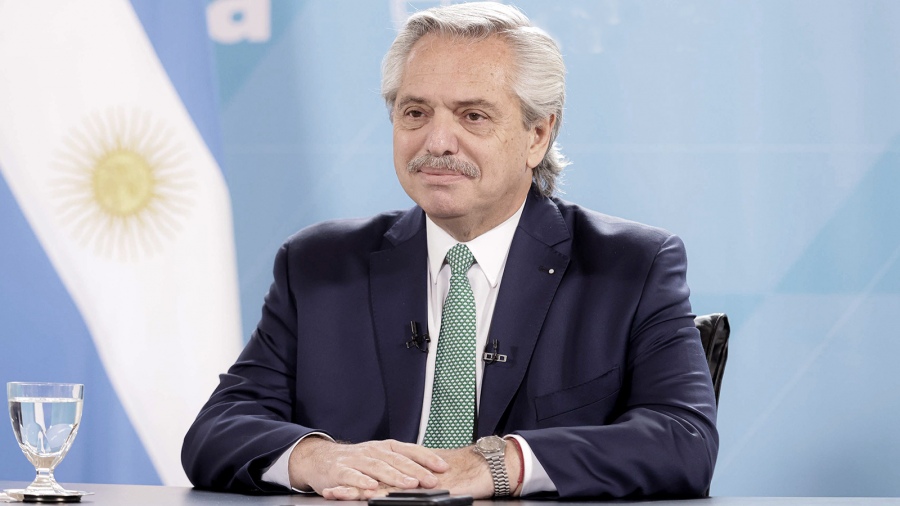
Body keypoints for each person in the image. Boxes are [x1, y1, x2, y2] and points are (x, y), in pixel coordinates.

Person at [182, 2, 718, 500]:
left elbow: (683, 439)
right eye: (415, 112)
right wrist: (318, 459)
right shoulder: (319, 265)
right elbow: (217, 431)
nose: (437, 141)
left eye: (473, 116)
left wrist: (502, 463)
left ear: (537, 134)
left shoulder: (631, 267)